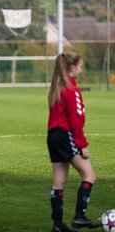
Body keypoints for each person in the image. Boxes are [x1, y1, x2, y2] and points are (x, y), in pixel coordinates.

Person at [47, 52, 99, 232]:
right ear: (72, 68)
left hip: (52, 137)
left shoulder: (57, 89)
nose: (81, 70)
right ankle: (79, 217)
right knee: (89, 175)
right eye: (80, 66)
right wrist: (82, 144)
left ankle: (58, 225)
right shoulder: (71, 90)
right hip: (65, 135)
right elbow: (75, 120)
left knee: (59, 182)